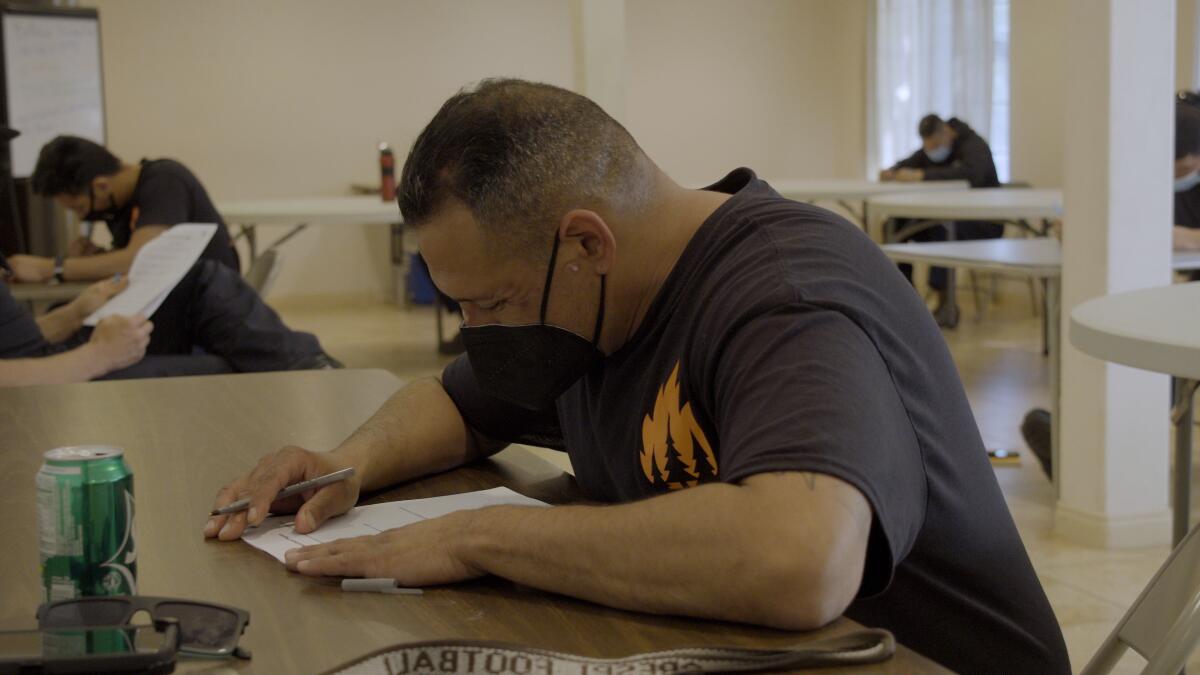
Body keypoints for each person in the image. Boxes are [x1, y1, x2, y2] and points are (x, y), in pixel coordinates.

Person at [204, 79, 1069, 674]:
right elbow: (454, 402)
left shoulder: (785, 292)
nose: (476, 332)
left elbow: (800, 558)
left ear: (586, 244)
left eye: (491, 301)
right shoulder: (590, 304)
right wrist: (340, 461)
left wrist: (479, 536)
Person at [1022, 99, 1200, 478]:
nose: (1177, 175)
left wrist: (1173, 236)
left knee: (1164, 338)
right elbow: (1080, 222)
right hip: (1168, 291)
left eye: (1184, 166)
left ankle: (1103, 450)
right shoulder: (1146, 168)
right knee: (1141, 331)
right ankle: (1083, 439)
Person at [0, 251, 340, 385]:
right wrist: (95, 357)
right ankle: (318, 378)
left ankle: (312, 369)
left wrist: (74, 314)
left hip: (48, 360)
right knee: (235, 370)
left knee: (199, 279)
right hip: (47, 383)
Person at [5, 136, 239, 283]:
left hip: (204, 320)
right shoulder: (121, 203)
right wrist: (99, 258)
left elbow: (140, 260)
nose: (83, 217)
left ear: (101, 185)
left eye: (80, 208)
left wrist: (49, 268)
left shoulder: (165, 181)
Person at [880, 114, 1004, 326]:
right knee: (895, 223)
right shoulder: (934, 148)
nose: (933, 151)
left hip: (982, 221)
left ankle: (945, 304)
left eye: (936, 145)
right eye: (928, 146)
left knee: (942, 228)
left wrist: (921, 176)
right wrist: (892, 171)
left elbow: (971, 174)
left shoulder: (974, 146)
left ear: (946, 132)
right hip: (946, 218)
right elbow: (912, 163)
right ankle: (906, 297)